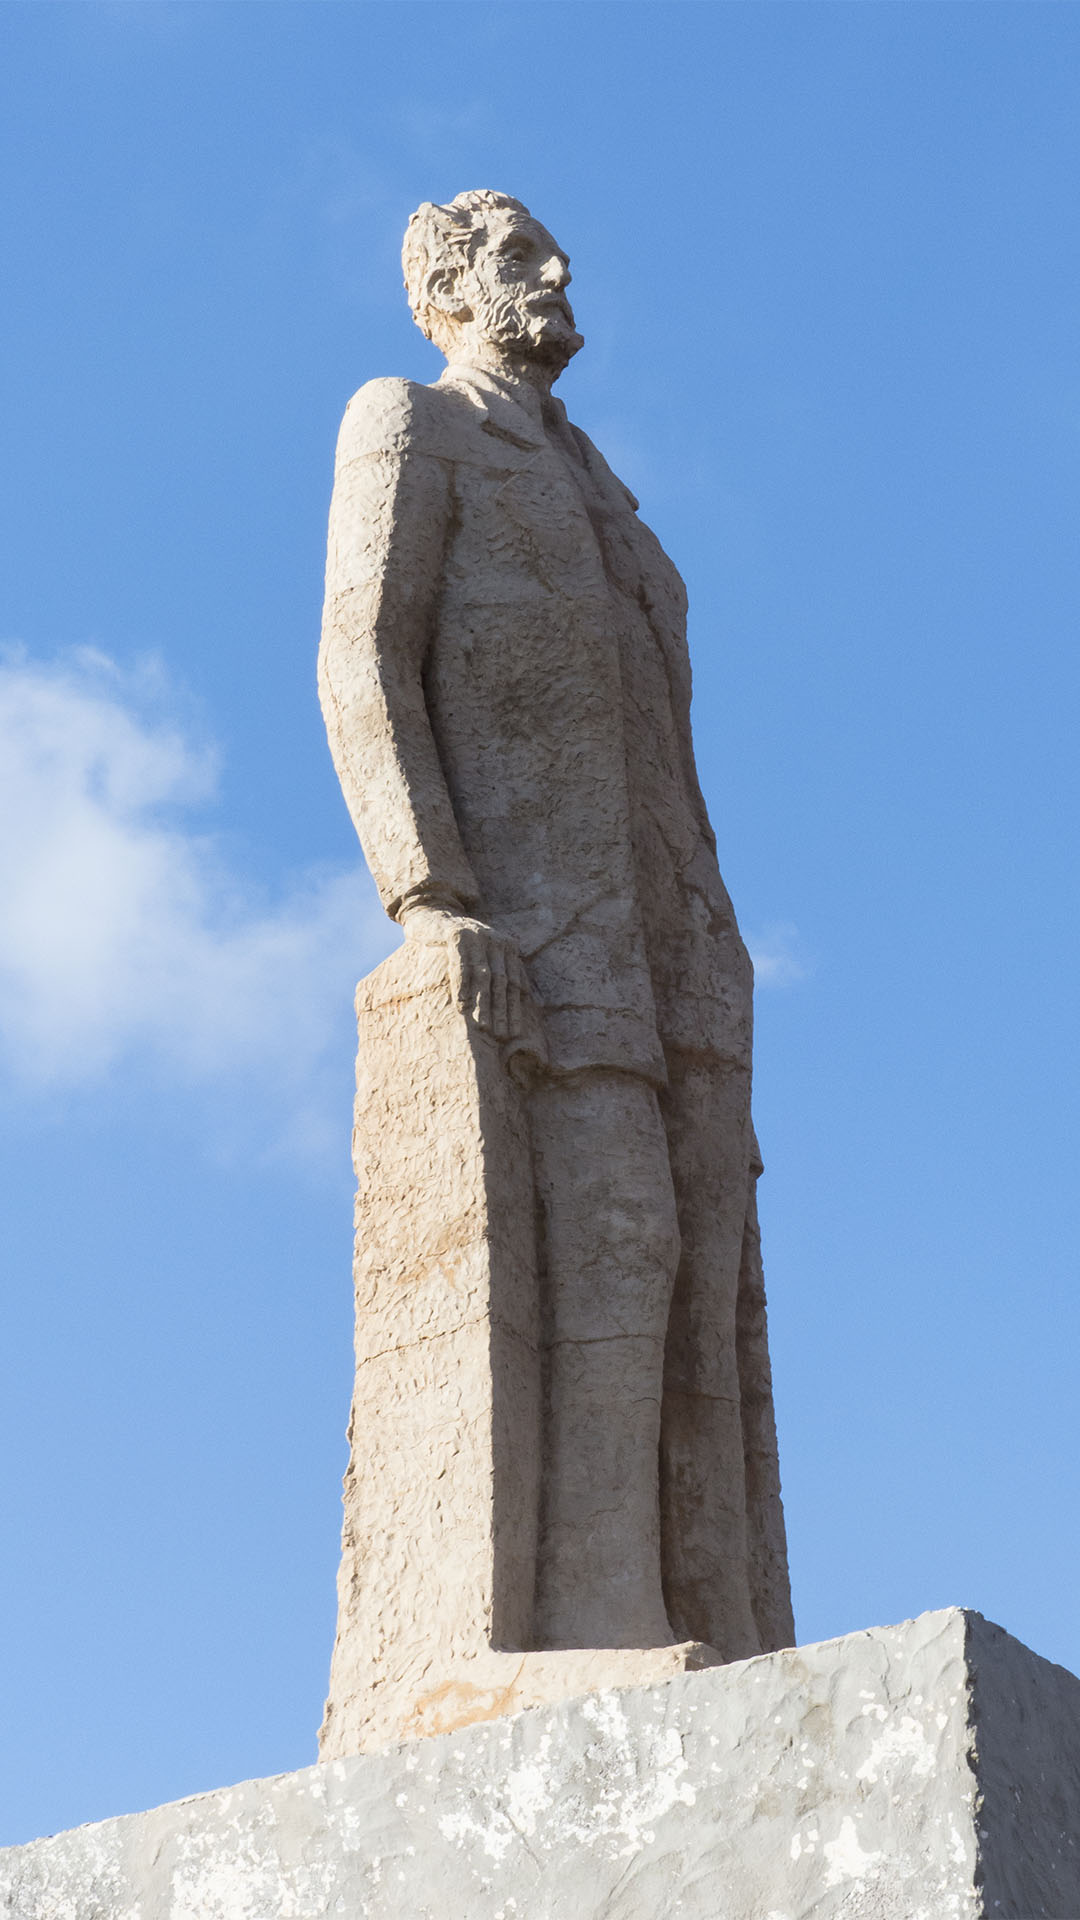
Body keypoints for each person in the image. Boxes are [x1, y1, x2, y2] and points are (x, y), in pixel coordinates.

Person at [319, 190, 793, 1658]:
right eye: (522, 257)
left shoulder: (610, 496)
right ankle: (589, 1612)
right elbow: (361, 656)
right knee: (617, 1234)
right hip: (541, 923)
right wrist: (429, 892)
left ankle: (712, 1609)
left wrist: (711, 938)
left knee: (706, 1286)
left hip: (676, 943)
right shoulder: (410, 421)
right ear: (451, 290)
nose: (560, 273)